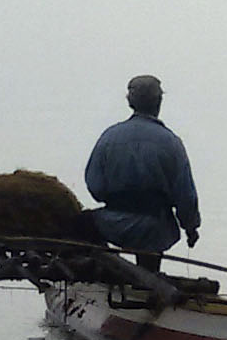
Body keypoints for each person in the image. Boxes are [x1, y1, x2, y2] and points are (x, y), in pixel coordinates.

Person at [84, 74, 200, 260]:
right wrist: (191, 228)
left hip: (112, 224)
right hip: (154, 229)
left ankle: (105, 269)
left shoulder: (109, 137)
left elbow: (95, 187)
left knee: (84, 222)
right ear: (159, 102)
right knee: (152, 246)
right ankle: (149, 280)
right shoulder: (171, 143)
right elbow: (185, 196)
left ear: (130, 102)